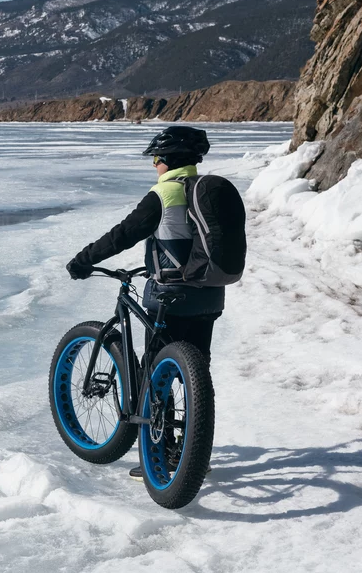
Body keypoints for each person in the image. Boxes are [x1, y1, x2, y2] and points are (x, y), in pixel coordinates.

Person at [65, 125, 221, 480]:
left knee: (157, 374)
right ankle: (194, 452)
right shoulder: (205, 191)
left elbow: (124, 233)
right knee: (196, 374)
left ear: (165, 160)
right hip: (210, 295)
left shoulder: (165, 194)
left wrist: (84, 260)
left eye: (155, 159)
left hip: (170, 297)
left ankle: (164, 455)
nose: (154, 166)